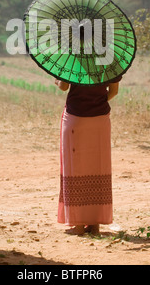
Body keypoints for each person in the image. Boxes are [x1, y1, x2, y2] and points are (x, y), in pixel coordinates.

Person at [54, 76, 122, 236]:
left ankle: (77, 225)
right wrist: (96, 101)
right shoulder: (108, 59)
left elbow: (63, 86)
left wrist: (57, 80)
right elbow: (114, 90)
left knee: (74, 168)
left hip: (75, 117)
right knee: (97, 168)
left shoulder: (73, 58)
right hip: (100, 119)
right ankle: (95, 224)